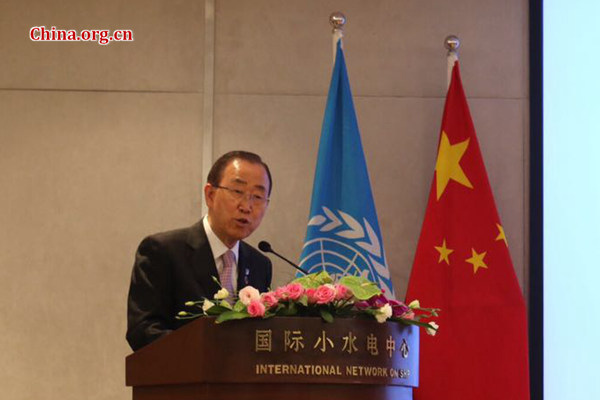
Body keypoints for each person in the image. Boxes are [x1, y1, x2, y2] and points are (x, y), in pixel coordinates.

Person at [126, 151, 273, 351]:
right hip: (180, 378)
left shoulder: (260, 264)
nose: (246, 206)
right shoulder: (162, 251)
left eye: (257, 197)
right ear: (210, 195)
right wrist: (211, 351)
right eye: (238, 191)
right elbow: (143, 331)